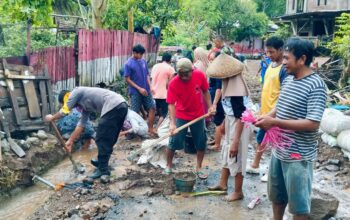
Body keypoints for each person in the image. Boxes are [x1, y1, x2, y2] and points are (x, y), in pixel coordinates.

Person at [255, 38, 327, 220]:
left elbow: (313, 123)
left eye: (287, 58)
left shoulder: (316, 85)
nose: (283, 61)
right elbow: (280, 105)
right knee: (277, 196)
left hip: (298, 156)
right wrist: (267, 116)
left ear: (302, 59)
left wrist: (276, 123)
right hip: (279, 152)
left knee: (298, 206)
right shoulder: (288, 80)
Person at [45, 87, 128, 179]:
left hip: (113, 105)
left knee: (101, 138)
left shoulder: (76, 92)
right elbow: (81, 125)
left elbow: (64, 111)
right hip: (121, 105)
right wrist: (70, 141)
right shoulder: (84, 105)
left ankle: (103, 170)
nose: (72, 106)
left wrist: (52, 118)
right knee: (110, 137)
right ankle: (102, 163)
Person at [165, 58, 215, 179]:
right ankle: (169, 165)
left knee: (201, 142)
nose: (184, 77)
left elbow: (205, 91)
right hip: (181, 115)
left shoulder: (199, 75)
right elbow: (171, 104)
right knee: (174, 141)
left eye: (186, 74)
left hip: (198, 115)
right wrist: (172, 123)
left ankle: (199, 167)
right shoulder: (174, 83)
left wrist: (210, 106)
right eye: (181, 75)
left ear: (192, 70)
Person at [208, 65, 251, 202]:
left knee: (236, 155)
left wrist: (235, 140)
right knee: (226, 153)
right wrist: (224, 126)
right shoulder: (228, 83)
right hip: (231, 121)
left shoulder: (236, 91)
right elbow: (230, 111)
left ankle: (238, 192)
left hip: (239, 125)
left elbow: (241, 117)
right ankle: (223, 184)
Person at [248, 37, 288, 181]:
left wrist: (274, 114)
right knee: (261, 139)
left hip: (276, 114)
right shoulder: (270, 65)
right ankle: (255, 164)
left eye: (272, 52)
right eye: (267, 52)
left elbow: (284, 95)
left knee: (276, 143)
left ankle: (272, 172)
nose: (269, 55)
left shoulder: (284, 69)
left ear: (281, 50)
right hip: (265, 111)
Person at [124, 44, 157, 135]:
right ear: (134, 53)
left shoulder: (143, 61)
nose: (141, 56)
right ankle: (134, 132)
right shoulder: (128, 63)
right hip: (135, 91)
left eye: (142, 54)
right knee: (135, 112)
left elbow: (147, 75)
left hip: (146, 90)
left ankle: (150, 128)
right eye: (140, 54)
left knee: (152, 107)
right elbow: (127, 79)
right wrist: (139, 89)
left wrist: (150, 87)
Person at [151, 52, 176, 129]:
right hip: (164, 94)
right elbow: (169, 84)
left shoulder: (155, 66)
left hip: (153, 93)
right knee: (164, 114)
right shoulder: (170, 68)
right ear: (170, 60)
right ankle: (157, 129)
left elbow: (151, 78)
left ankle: (151, 128)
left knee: (155, 111)